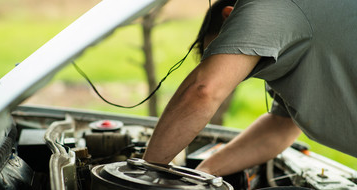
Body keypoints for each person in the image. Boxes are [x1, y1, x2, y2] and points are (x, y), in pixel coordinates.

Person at [143, 0, 357, 176]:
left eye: (222, 57)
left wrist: (146, 174)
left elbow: (203, 90)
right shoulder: (294, 42)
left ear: (230, 17)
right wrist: (204, 173)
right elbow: (279, 127)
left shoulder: (265, 4)